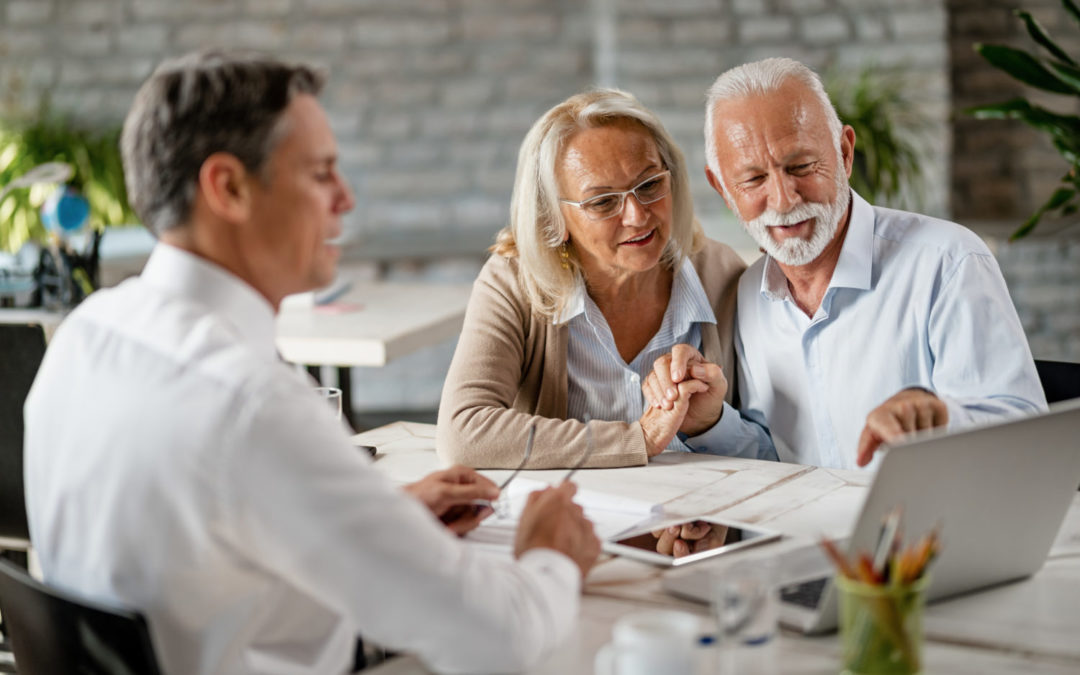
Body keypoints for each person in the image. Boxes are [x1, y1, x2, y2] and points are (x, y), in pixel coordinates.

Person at [23, 50, 599, 675]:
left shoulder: (85, 336)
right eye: (322, 173)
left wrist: (377, 520)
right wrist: (551, 555)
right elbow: (497, 640)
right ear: (229, 188)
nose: (345, 199)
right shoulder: (252, 403)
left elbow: (194, 546)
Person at [643, 57, 1047, 471]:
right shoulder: (748, 293)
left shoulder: (948, 261)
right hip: (807, 534)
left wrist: (939, 419)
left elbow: (1027, 439)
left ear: (844, 153)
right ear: (724, 190)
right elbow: (779, 460)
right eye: (753, 180)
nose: (784, 200)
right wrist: (710, 422)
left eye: (801, 166)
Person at [436, 88, 775, 469]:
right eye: (602, 202)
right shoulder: (514, 282)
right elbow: (463, 433)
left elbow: (772, 448)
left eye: (649, 185)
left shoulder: (722, 273)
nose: (636, 215)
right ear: (554, 219)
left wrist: (710, 424)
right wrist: (639, 439)